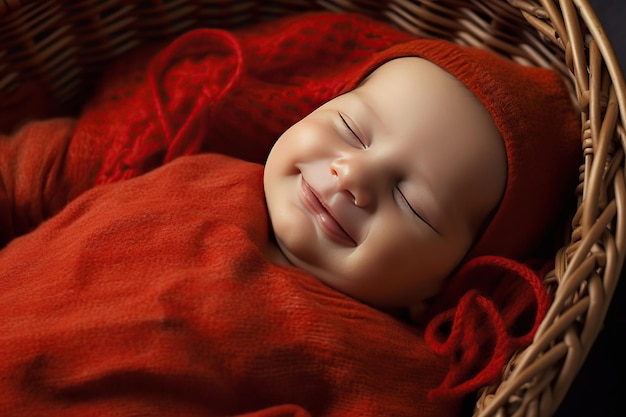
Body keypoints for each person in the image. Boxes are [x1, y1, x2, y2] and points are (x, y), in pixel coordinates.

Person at [0, 11, 580, 417]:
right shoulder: (197, 163)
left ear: (446, 285)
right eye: (350, 130)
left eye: (411, 201)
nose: (351, 178)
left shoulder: (389, 371)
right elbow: (39, 174)